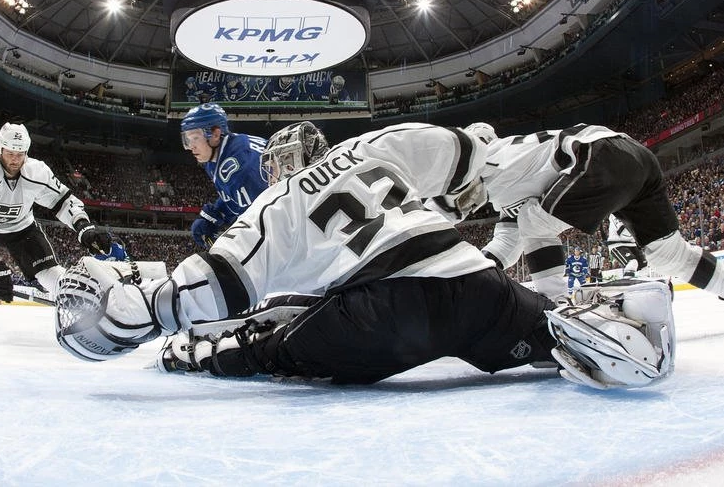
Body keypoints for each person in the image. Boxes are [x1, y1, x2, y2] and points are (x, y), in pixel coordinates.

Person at [54, 121, 675, 390]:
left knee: (278, 343)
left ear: (283, 164)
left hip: (382, 316)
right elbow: (467, 155)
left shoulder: (274, 205)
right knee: (541, 331)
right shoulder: (376, 144)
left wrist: (145, 312)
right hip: (470, 280)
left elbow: (216, 283)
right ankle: (612, 323)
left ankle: (207, 358)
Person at [462, 122, 724, 300]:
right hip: (636, 155)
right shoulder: (514, 174)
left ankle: (554, 310)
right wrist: (477, 270)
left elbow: (445, 211)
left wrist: (456, 272)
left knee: (535, 224)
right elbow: (507, 242)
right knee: (669, 255)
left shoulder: (488, 161)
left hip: (599, 155)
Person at [0, 122, 111, 340]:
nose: (14, 159)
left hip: (22, 228)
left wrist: (83, 227)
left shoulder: (37, 171)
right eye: (10, 153)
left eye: (20, 154)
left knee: (51, 273)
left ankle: (90, 311)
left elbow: (63, 200)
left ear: (26, 152)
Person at [180, 103, 268, 248]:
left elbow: (264, 221)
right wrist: (217, 213)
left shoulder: (242, 166)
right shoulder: (218, 156)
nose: (191, 146)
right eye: (187, 140)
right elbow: (236, 196)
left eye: (195, 138)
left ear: (215, 134)